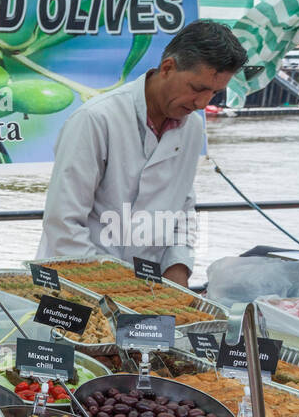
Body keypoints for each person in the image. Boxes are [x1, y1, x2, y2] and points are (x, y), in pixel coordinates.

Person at [38, 20, 248, 286]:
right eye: (196, 89)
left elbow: (182, 206)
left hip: (142, 287)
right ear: (168, 68)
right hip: (75, 284)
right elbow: (62, 224)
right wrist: (112, 287)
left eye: (215, 93)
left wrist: (178, 266)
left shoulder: (193, 127)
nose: (202, 103)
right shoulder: (96, 119)